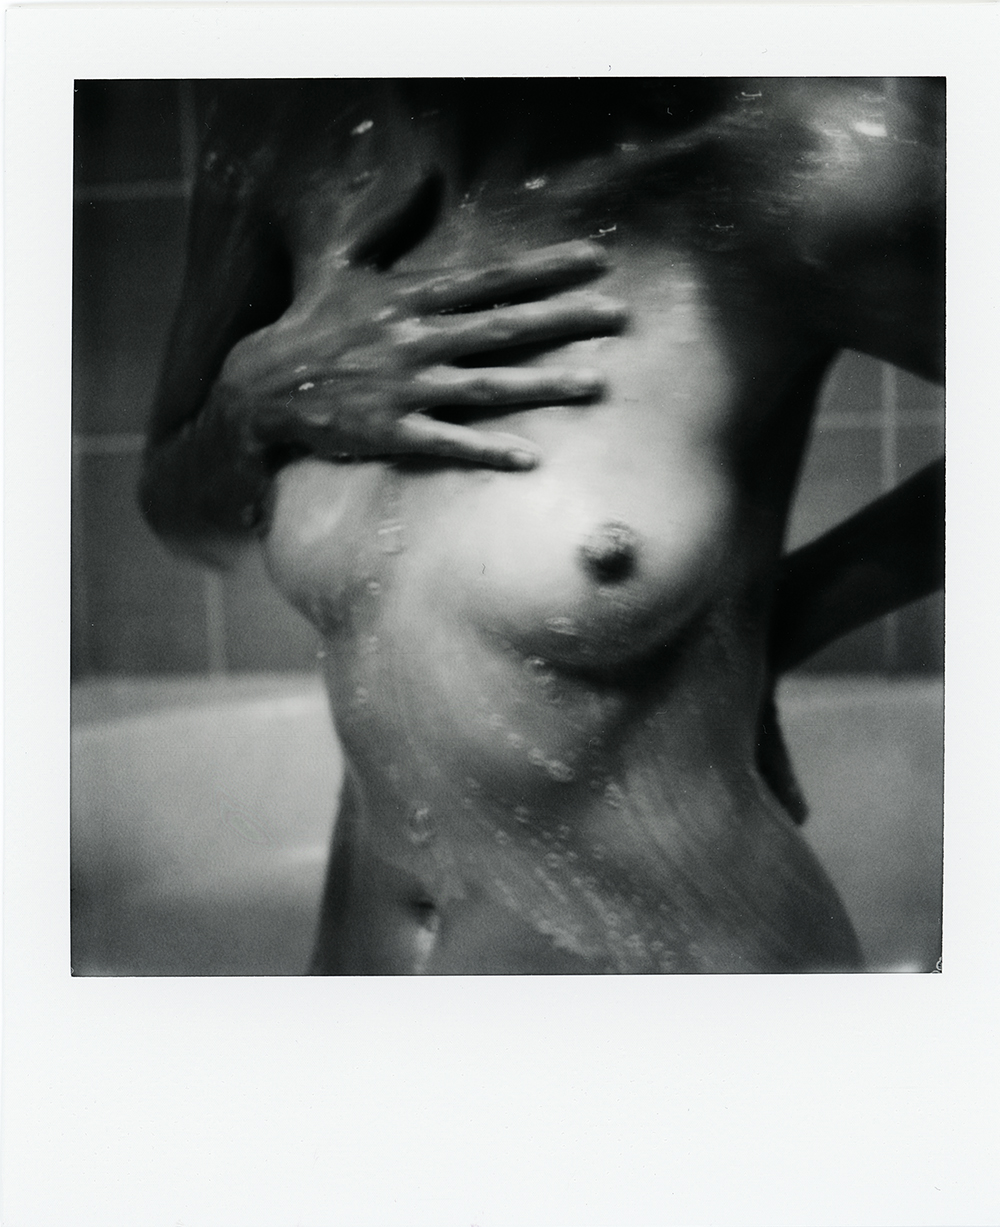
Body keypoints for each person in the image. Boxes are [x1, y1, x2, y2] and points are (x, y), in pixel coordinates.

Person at [140, 78, 944, 974]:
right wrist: (251, 407)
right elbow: (178, 504)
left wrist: (787, 618)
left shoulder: (806, 160)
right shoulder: (283, 127)